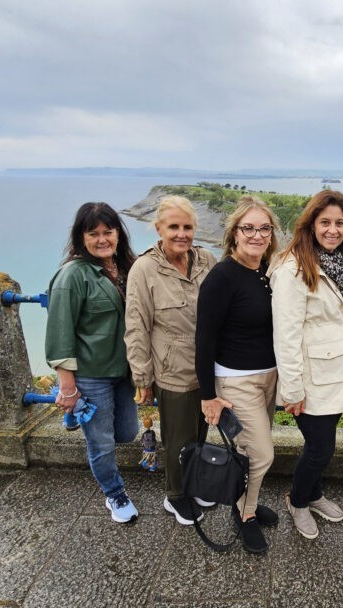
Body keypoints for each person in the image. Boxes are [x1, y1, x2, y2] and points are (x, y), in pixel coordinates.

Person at [195, 195, 282, 553]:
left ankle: (245, 502)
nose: (257, 235)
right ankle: (244, 515)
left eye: (264, 228)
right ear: (234, 233)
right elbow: (204, 339)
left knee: (249, 450)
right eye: (249, 228)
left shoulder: (268, 271)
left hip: (270, 377)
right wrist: (207, 396)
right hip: (236, 380)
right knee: (262, 454)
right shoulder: (222, 277)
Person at [45, 202, 141, 524]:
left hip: (125, 372)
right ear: (81, 237)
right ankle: (114, 494)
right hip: (92, 376)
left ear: (118, 234)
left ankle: (80, 422)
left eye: (108, 232)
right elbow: (60, 335)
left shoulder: (129, 267)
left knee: (127, 433)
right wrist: (68, 388)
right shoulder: (72, 276)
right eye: (93, 233)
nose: (102, 239)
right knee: (101, 442)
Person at [270, 189, 343, 540]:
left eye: (339, 223)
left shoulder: (338, 262)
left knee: (321, 444)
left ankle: (314, 493)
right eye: (325, 222)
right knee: (321, 448)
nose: (333, 229)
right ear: (311, 224)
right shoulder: (293, 268)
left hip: (336, 374)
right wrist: (292, 389)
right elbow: (286, 334)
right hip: (308, 379)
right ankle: (298, 500)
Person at [125, 195, 216, 526]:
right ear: (158, 228)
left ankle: (193, 485)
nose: (182, 234)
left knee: (202, 432)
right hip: (171, 369)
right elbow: (137, 327)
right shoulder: (145, 269)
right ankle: (175, 495)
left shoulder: (206, 259)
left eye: (188, 227)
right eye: (174, 226)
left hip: (208, 369)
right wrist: (142, 378)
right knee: (179, 439)